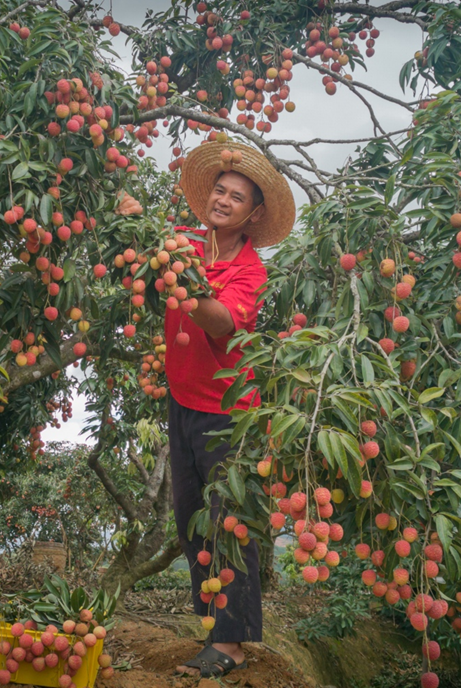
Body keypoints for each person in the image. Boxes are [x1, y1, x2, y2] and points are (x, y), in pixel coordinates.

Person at [163, 141, 295, 678]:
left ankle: (233, 644)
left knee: (229, 525)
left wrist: (182, 278)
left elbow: (220, 323)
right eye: (219, 190)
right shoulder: (187, 244)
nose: (223, 200)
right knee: (192, 522)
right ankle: (214, 630)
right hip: (182, 400)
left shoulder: (250, 272)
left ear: (253, 213)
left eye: (236, 197)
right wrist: (140, 236)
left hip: (228, 413)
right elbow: (155, 280)